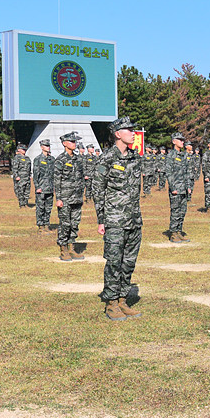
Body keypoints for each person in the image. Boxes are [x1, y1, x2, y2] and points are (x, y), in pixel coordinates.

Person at [94, 117, 144, 321]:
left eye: (133, 130)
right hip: (114, 219)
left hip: (133, 218)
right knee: (114, 262)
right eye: (129, 130)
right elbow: (98, 189)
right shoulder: (106, 158)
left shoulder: (134, 157)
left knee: (129, 262)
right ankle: (111, 303)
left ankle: (123, 300)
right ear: (117, 133)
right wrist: (101, 219)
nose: (133, 133)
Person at [54, 132, 85, 261]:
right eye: (72, 142)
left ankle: (72, 248)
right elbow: (57, 180)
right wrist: (59, 198)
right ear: (64, 143)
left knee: (75, 223)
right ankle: (63, 249)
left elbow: (81, 177)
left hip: (76, 197)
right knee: (65, 224)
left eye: (75, 142)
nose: (74, 144)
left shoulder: (78, 159)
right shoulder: (60, 160)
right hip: (65, 197)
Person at [166, 132, 192, 242]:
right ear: (174, 141)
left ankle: (179, 231)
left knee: (182, 211)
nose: (182, 142)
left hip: (183, 189)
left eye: (183, 140)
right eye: (180, 140)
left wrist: (188, 186)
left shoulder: (183, 156)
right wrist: (173, 188)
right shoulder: (171, 155)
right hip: (176, 189)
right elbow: (169, 172)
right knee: (175, 211)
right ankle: (173, 233)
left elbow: (186, 172)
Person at [33, 140, 54, 233]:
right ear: (41, 147)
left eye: (48, 145)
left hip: (50, 188)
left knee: (48, 208)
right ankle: (40, 226)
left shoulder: (52, 159)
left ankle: (46, 224)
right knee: (40, 208)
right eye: (46, 145)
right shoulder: (38, 159)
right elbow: (35, 174)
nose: (48, 147)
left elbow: (54, 174)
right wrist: (37, 187)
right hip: (41, 188)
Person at [12, 143, 32, 208]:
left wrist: (30, 175)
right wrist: (16, 176)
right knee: (20, 190)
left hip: (27, 177)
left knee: (27, 191)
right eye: (23, 149)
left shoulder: (27, 158)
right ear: (19, 150)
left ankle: (26, 203)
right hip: (20, 177)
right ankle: (21, 204)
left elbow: (29, 168)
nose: (24, 151)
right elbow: (14, 168)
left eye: (25, 149)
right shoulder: (17, 158)